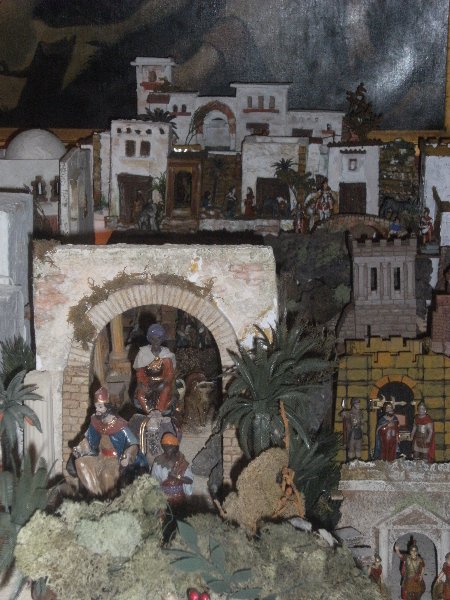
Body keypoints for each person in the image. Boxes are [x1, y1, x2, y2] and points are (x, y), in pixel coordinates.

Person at [72, 387, 146, 496]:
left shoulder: (120, 426)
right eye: (96, 407)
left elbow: (133, 444)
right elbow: (88, 440)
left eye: (100, 407)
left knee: (106, 475)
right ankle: (96, 495)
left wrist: (127, 456)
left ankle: (108, 499)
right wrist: (80, 449)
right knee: (80, 463)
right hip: (99, 456)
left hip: (115, 459)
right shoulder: (96, 422)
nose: (97, 410)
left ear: (108, 407)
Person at [133, 324, 176, 414]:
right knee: (141, 394)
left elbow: (170, 373)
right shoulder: (143, 353)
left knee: (166, 390)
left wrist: (164, 383)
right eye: (153, 339)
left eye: (159, 338)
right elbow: (140, 372)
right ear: (149, 339)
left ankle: (159, 412)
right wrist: (142, 383)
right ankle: (149, 414)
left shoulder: (166, 355)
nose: (156, 342)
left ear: (162, 339)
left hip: (162, 381)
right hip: (147, 381)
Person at [151, 432, 193, 505]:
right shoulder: (158, 462)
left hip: (180, 499)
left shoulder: (182, 462)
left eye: (170, 447)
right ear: (163, 446)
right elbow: (153, 481)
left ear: (176, 447)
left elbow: (189, 481)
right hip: (164, 499)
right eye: (165, 446)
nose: (168, 449)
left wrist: (176, 477)